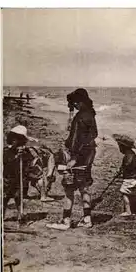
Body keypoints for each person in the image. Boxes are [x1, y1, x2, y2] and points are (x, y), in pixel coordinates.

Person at [47, 88, 98, 230]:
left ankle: (65, 221)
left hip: (77, 158)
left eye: (75, 103)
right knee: (84, 188)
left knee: (69, 190)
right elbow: (93, 134)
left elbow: (75, 140)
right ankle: (87, 220)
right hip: (88, 157)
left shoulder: (80, 117)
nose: (74, 105)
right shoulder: (90, 115)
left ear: (81, 102)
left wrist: (73, 158)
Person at [3, 126, 34, 221]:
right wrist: (16, 157)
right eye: (14, 140)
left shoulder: (25, 151)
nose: (15, 142)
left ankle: (21, 214)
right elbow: (6, 162)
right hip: (7, 178)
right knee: (5, 197)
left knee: (18, 196)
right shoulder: (6, 151)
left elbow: (30, 160)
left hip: (19, 178)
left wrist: (23, 155)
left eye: (20, 140)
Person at [114, 134, 136, 217]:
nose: (119, 148)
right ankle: (132, 209)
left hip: (130, 177)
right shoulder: (130, 154)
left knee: (123, 192)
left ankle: (128, 211)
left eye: (120, 146)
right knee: (128, 193)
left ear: (123, 147)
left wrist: (122, 170)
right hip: (132, 177)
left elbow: (127, 165)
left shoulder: (129, 155)